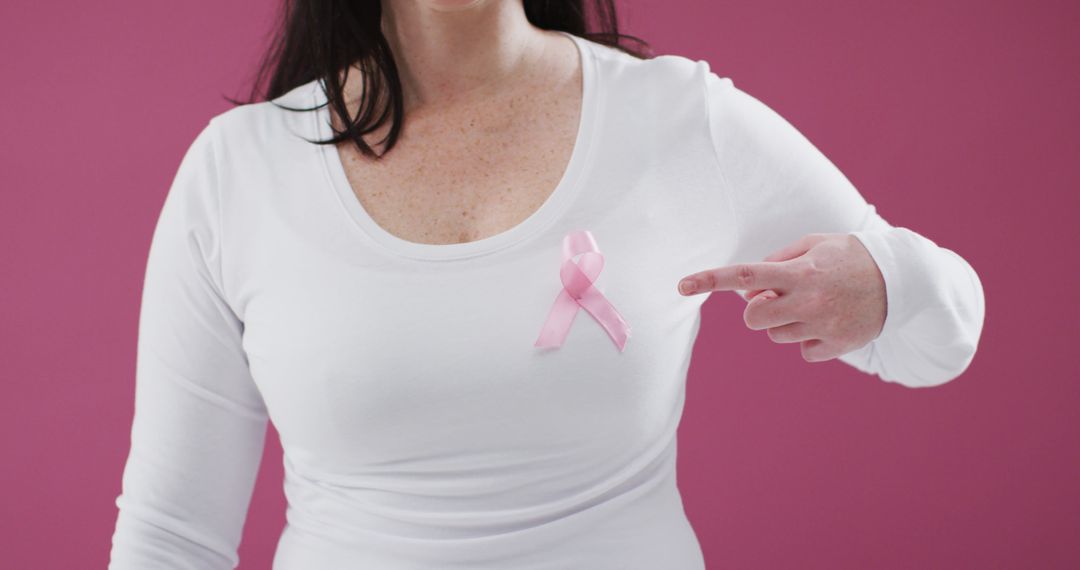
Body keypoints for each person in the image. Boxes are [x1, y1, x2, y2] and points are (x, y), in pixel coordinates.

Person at [107, 0, 986, 568]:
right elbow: (171, 535)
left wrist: (887, 281)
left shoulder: (677, 119)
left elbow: (940, 341)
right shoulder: (241, 169)